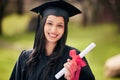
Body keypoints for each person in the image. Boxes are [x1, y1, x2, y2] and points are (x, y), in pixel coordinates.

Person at [10, 0, 95, 80]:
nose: (54, 30)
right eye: (50, 23)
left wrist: (72, 78)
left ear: (65, 28)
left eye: (60, 25)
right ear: (42, 24)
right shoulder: (25, 58)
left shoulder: (74, 58)